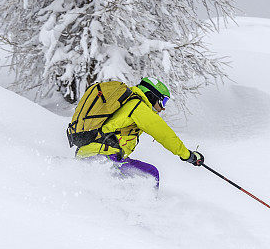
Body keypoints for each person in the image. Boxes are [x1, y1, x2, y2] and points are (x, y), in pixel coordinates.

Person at [74, 77, 204, 188]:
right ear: (151, 96)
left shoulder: (130, 104)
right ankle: (144, 210)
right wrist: (188, 155)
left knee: (143, 175)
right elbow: (164, 134)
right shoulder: (138, 107)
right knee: (149, 175)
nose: (163, 107)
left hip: (94, 154)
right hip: (103, 156)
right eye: (162, 101)